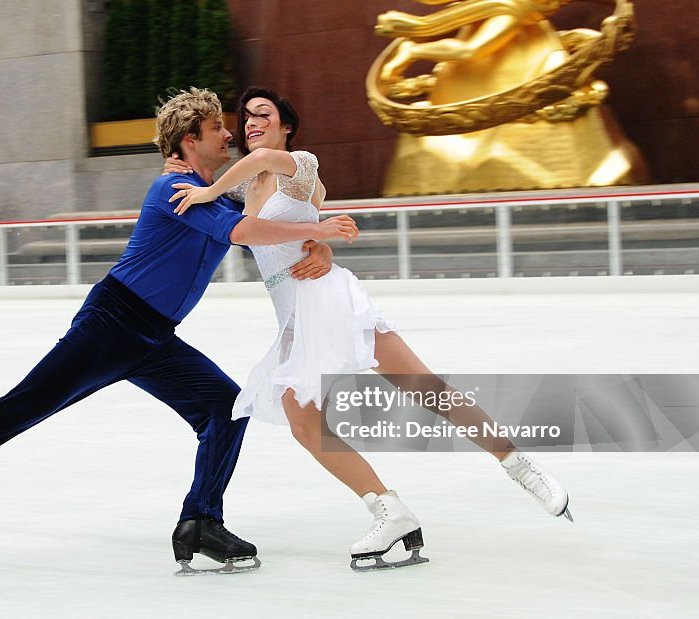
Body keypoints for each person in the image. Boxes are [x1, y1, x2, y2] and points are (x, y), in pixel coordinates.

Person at [0, 87, 359, 574]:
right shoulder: (174, 191)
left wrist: (321, 247)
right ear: (189, 140)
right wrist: (319, 230)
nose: (228, 135)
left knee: (224, 409)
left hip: (156, 338)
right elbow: (243, 232)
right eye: (215, 128)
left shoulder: (216, 197)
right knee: (20, 408)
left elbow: (269, 230)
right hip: (111, 325)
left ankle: (201, 520)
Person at [169, 86, 572, 571]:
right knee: (303, 421)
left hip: (329, 301)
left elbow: (291, 184)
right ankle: (389, 508)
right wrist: (190, 172)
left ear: (286, 126)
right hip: (293, 317)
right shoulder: (244, 189)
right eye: (247, 118)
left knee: (424, 387)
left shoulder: (298, 164)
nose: (251, 124)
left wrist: (214, 192)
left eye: (263, 115)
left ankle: (520, 467)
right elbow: (281, 216)